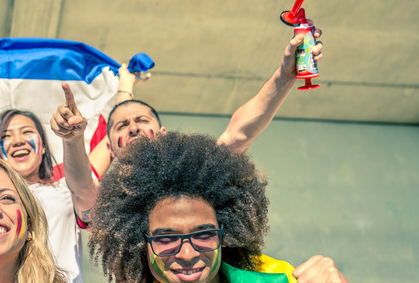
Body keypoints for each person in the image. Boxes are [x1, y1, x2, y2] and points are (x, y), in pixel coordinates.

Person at [87, 132, 400, 283]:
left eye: (203, 234)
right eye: (166, 239)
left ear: (226, 236)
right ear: (141, 244)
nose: (186, 253)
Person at [51, 29, 325, 225]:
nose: (133, 127)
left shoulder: (192, 175)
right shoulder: (110, 201)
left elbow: (237, 134)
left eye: (142, 121)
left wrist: (284, 77)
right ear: (109, 148)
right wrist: (73, 139)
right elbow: (82, 188)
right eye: (122, 126)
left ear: (162, 135)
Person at [0, 110, 87, 283]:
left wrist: (72, 138)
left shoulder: (68, 189)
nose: (18, 140)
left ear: (43, 147)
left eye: (27, 132)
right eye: (5, 136)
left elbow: (105, 148)